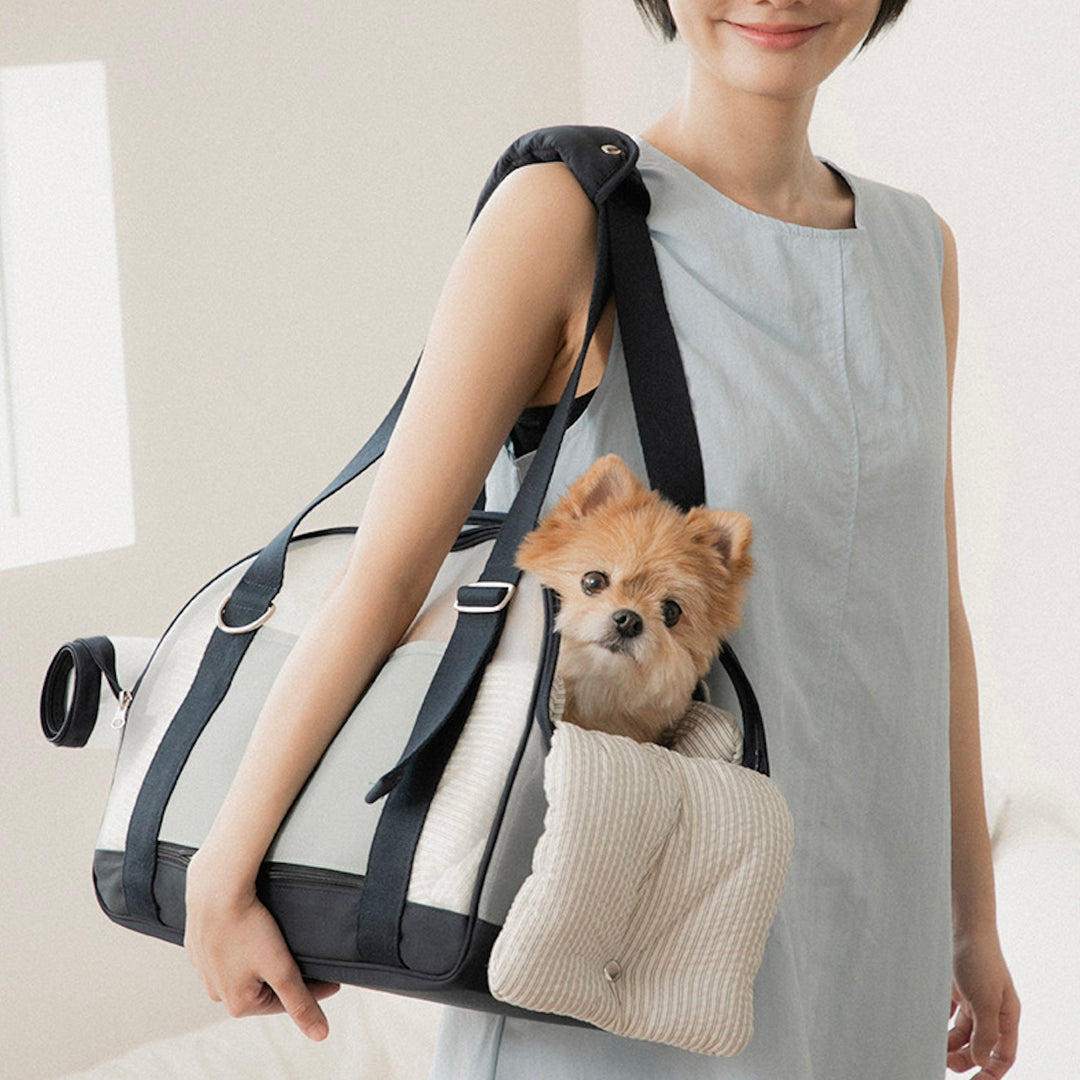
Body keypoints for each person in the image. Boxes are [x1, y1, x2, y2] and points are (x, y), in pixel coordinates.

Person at [183, 1, 1021, 1077]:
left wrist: (969, 922)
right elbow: (388, 574)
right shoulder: (564, 215)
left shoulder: (917, 252)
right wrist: (224, 867)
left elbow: (928, 614)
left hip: (872, 937)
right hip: (622, 919)